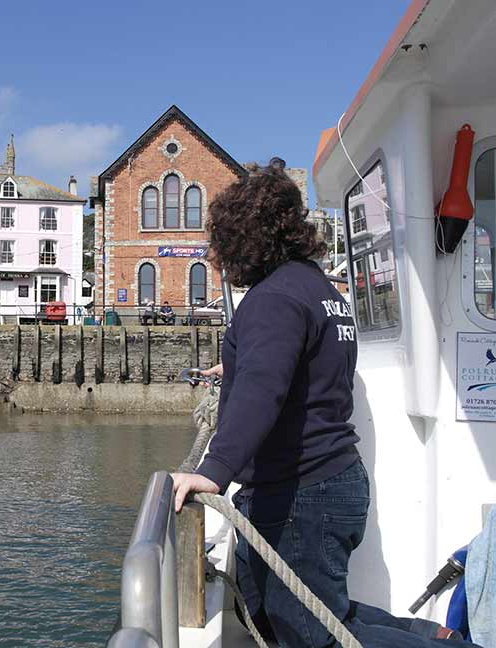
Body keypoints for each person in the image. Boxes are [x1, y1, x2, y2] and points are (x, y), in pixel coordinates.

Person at [170, 161, 474, 647]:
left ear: (242, 237)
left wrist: (214, 469)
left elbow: (264, 387)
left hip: (300, 495)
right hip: (328, 484)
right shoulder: (319, 290)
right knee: (307, 613)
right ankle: (435, 635)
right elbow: (304, 364)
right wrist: (238, 364)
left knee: (315, 635)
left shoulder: (273, 299)